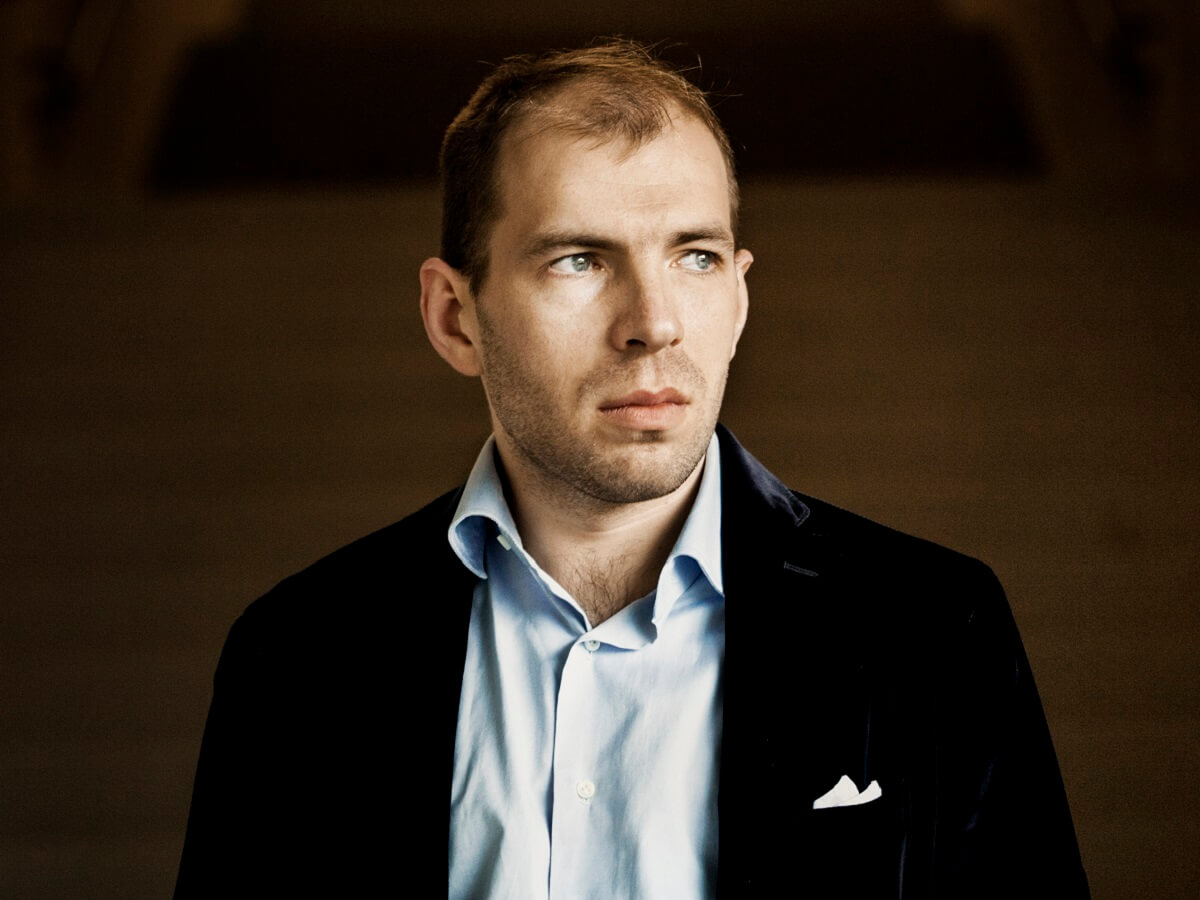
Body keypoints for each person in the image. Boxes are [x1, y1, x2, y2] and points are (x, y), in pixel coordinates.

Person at [175, 40, 1089, 899]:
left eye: (695, 257)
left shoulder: (935, 633)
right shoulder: (294, 657)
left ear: (739, 299)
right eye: (578, 260)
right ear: (455, 317)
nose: (654, 321)